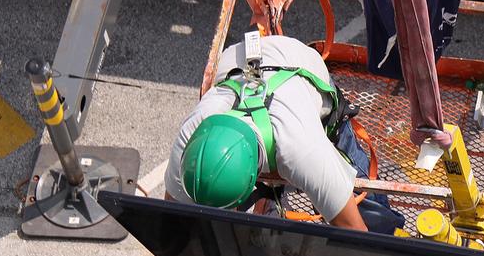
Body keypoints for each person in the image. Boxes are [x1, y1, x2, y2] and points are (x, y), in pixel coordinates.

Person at [166, 33, 396, 233]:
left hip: (295, 61)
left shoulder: (304, 151)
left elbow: (356, 231)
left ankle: (387, 233)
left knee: (364, 208)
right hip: (242, 61)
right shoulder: (191, 144)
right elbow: (177, 223)